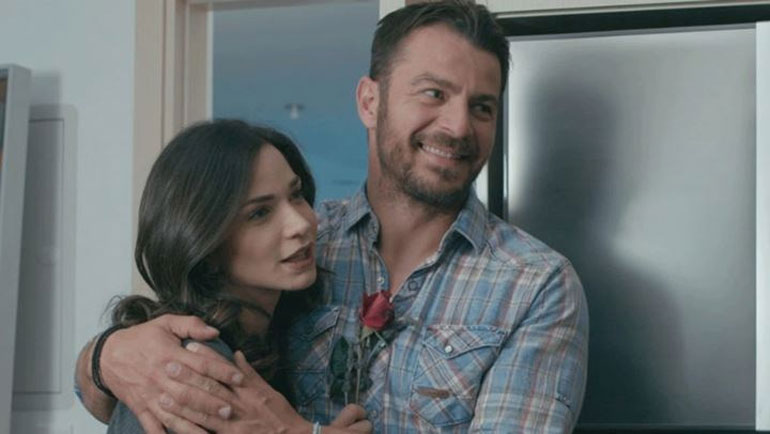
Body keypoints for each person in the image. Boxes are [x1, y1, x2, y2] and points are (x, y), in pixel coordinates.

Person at [76, 1, 589, 432]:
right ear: (369, 102)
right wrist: (106, 358)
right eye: (434, 93)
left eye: (482, 107)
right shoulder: (302, 249)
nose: (458, 126)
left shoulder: (534, 284)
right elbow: (133, 395)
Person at [75, 119, 371, 433]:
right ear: (205, 243)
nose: (301, 223)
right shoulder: (194, 365)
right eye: (259, 213)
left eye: (296, 195)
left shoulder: (273, 338)